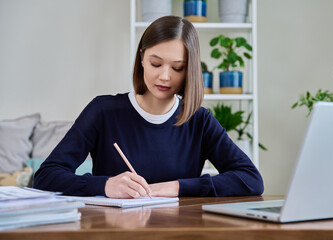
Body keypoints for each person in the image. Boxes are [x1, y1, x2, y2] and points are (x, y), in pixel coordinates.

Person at [34, 16, 263, 198]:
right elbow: (46, 176)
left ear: (189, 70)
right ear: (142, 58)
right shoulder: (103, 111)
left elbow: (251, 179)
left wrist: (176, 187)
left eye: (177, 68)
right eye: (156, 63)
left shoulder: (199, 120)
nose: (164, 76)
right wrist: (105, 185)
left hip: (180, 233)